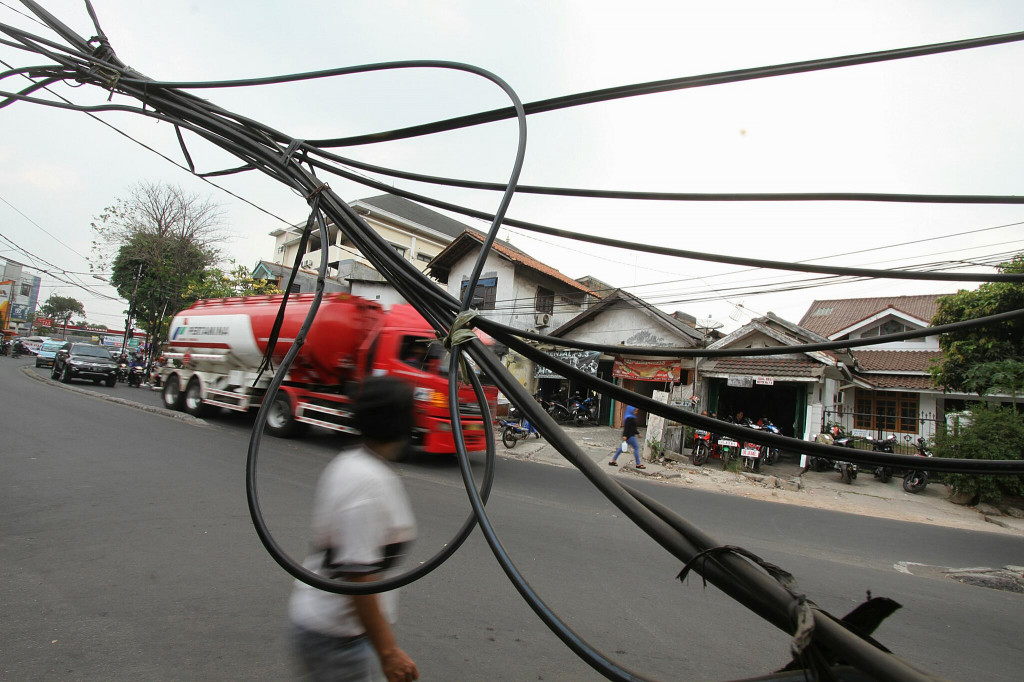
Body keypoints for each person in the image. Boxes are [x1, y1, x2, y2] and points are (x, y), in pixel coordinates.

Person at [289, 376, 419, 682]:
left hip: (332, 633)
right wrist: (388, 652)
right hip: (334, 639)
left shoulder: (354, 462)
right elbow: (359, 575)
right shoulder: (368, 483)